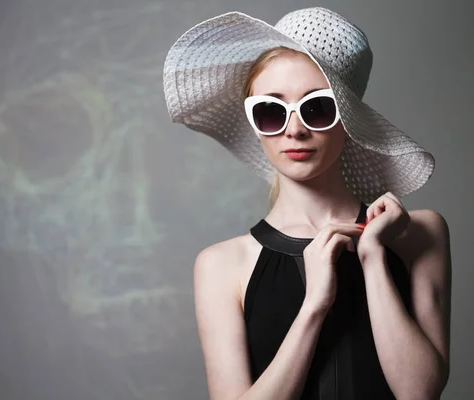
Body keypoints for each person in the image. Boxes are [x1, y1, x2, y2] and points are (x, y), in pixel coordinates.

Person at [163, 7, 451, 400]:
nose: (294, 130)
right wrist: (314, 305)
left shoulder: (420, 235)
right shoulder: (221, 265)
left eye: (317, 107)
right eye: (271, 111)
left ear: (348, 121)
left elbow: (420, 393)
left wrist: (372, 258)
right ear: (255, 124)